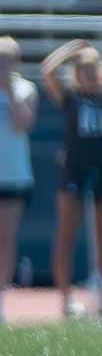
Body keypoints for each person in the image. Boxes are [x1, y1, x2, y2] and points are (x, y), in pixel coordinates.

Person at [39, 39, 102, 319]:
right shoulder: (70, 98)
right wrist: (73, 49)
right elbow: (47, 71)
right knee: (67, 234)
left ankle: (101, 294)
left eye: (92, 68)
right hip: (74, 170)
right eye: (82, 69)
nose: (87, 74)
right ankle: (66, 297)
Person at [0, 38, 37, 325]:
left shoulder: (25, 89)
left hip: (13, 175)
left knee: (5, 239)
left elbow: (22, 124)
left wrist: (8, 89)